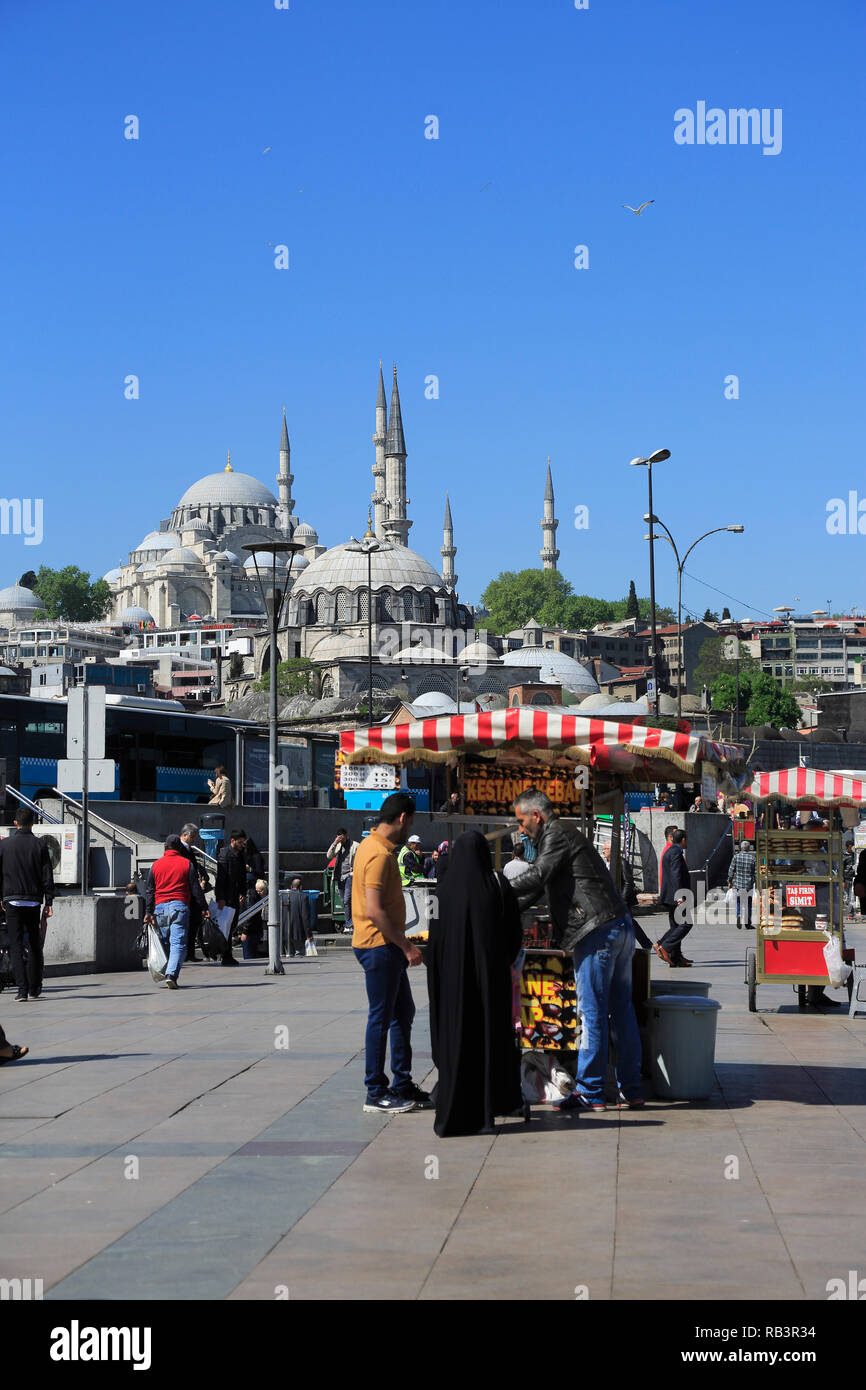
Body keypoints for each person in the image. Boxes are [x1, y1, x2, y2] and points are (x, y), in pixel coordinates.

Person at [511, 790, 644, 1112]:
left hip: (596, 932)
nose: (520, 829)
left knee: (592, 1013)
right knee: (621, 1012)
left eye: (521, 821)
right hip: (618, 926)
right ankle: (631, 1088)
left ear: (536, 816)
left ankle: (591, 1091)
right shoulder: (565, 835)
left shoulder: (556, 833)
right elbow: (544, 886)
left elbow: (539, 874)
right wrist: (507, 906)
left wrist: (495, 888)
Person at [428, 831, 523, 1136]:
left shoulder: (440, 894)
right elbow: (514, 933)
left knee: (458, 1040)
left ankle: (455, 1111)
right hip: (490, 985)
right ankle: (489, 1109)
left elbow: (435, 946)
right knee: (488, 1041)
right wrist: (496, 962)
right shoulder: (497, 886)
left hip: (453, 989)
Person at [351, 791, 430, 1114]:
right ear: (402, 819)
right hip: (379, 945)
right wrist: (407, 946)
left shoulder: (373, 846)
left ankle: (401, 1082)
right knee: (381, 1018)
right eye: (410, 821)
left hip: (384, 946)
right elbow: (375, 910)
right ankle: (375, 1089)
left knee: (402, 1013)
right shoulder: (380, 855)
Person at [0, 807, 54, 1002]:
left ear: (15, 823)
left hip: (12, 901)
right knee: (34, 943)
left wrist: (2, 897)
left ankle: (22, 991)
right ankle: (35, 987)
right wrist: (49, 901)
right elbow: (47, 875)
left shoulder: (5, 845)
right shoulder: (40, 845)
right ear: (33, 824)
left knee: (15, 945)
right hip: (33, 901)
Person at [143, 835, 210, 989]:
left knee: (164, 942)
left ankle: (166, 970)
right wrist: (204, 907)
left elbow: (149, 891)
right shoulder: (186, 864)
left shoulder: (156, 865)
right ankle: (171, 974)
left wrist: (148, 911)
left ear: (166, 847)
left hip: (160, 908)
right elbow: (195, 889)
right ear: (179, 848)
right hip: (179, 906)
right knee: (178, 943)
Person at [655, 829, 693, 967]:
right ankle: (664, 946)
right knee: (686, 923)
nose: (687, 842)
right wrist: (679, 895)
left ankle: (675, 958)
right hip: (676, 896)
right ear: (683, 840)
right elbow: (676, 874)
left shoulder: (669, 851)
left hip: (669, 895)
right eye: (686, 839)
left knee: (676, 925)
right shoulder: (676, 853)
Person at [214, 829, 248, 966]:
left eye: (243, 842)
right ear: (232, 841)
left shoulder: (240, 854)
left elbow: (242, 876)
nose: (242, 845)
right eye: (240, 842)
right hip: (226, 896)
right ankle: (226, 955)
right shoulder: (225, 854)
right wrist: (220, 897)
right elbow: (221, 878)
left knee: (232, 925)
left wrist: (243, 892)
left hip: (235, 895)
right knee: (226, 926)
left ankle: (227, 954)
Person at [326, 828, 359, 935]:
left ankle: (349, 923)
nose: (341, 838)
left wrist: (353, 873)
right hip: (338, 877)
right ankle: (349, 924)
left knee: (346, 900)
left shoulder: (355, 846)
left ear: (346, 836)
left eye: (342, 836)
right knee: (345, 903)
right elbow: (329, 856)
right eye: (339, 836)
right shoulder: (338, 845)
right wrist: (335, 843)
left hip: (349, 876)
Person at [179, 823, 204, 961]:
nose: (194, 839)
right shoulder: (180, 849)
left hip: (192, 890)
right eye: (192, 836)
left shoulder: (188, 849)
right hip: (186, 891)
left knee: (194, 922)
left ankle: (190, 952)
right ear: (185, 835)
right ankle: (187, 953)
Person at [727, 837, 756, 929]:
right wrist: (755, 882)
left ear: (741, 848)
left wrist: (730, 881)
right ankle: (747, 923)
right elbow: (755, 873)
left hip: (738, 884)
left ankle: (738, 914)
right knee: (748, 903)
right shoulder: (752, 858)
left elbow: (731, 871)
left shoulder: (736, 857)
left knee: (739, 901)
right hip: (748, 885)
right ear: (748, 848)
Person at [287, 877, 313, 957]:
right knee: (299, 954)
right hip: (298, 933)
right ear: (300, 887)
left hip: (285, 932)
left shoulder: (285, 896)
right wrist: (309, 934)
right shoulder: (303, 897)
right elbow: (305, 917)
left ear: (291, 887)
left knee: (288, 955)